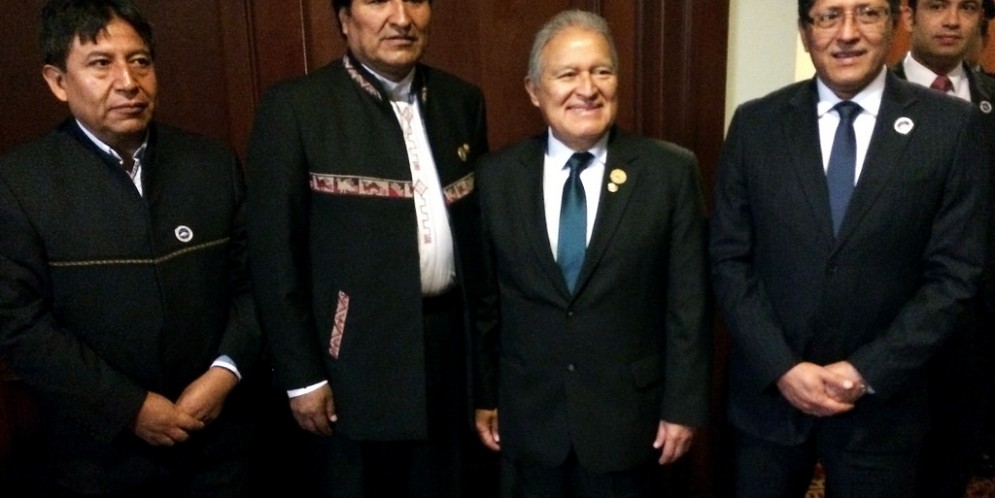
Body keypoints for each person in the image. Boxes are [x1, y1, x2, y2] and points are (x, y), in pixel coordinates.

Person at [710, 0, 991, 496]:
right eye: (828, 16)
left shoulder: (951, 127)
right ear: (805, 32)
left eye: (867, 13)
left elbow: (955, 275)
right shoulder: (756, 124)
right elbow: (729, 259)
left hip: (885, 409)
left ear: (893, 24)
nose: (847, 33)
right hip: (769, 405)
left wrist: (868, 371)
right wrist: (782, 367)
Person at [0, 0, 263, 497]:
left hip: (222, 445)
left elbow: (255, 284)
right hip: (97, 459)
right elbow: (18, 323)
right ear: (58, 82)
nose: (128, 81)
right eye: (101, 64)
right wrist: (130, 408)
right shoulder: (19, 184)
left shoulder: (211, 165)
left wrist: (225, 372)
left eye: (140, 61)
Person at [244, 0, 490, 496]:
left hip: (448, 355)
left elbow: (482, 247)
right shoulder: (297, 108)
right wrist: (303, 377)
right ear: (343, 19)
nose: (401, 17)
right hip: (350, 365)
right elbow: (273, 259)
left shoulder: (461, 100)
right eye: (378, 0)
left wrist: (486, 375)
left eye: (414, 0)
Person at [472, 9, 711, 498]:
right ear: (534, 90)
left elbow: (688, 304)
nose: (587, 89)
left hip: (629, 423)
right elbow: (485, 302)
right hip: (528, 419)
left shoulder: (669, 172)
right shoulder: (496, 177)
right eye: (568, 74)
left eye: (602, 71)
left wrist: (683, 407)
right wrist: (484, 394)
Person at [893, 0, 995, 495]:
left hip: (973, 330)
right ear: (908, 15)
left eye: (967, 7)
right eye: (936, 5)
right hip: (888, 325)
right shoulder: (868, 93)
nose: (952, 20)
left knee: (949, 470)